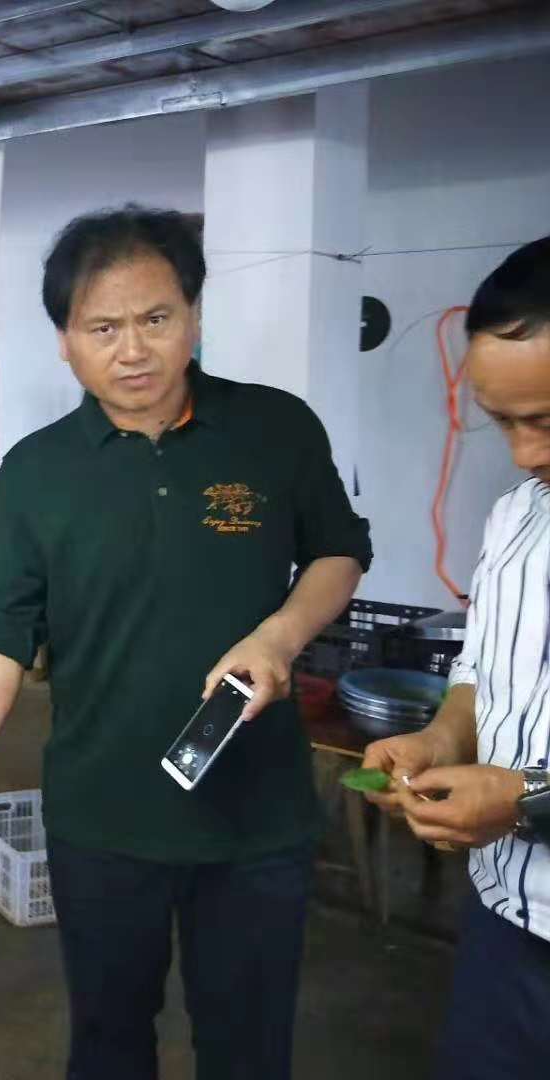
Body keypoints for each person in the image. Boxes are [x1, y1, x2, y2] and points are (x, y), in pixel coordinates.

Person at [0, 205, 372, 1080]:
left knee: (250, 1046)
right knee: (110, 1043)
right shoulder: (38, 471)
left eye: (156, 319)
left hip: (257, 816)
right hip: (103, 817)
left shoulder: (275, 428)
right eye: (102, 327)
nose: (133, 350)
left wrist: (278, 634)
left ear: (194, 316)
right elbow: (2, 623)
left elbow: (340, 550)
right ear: (65, 341)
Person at [358, 236, 550, 1080]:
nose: (524, 453)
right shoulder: (517, 519)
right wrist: (443, 740)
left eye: (546, 420)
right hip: (505, 928)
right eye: (503, 420)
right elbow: (484, 667)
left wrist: (530, 799)